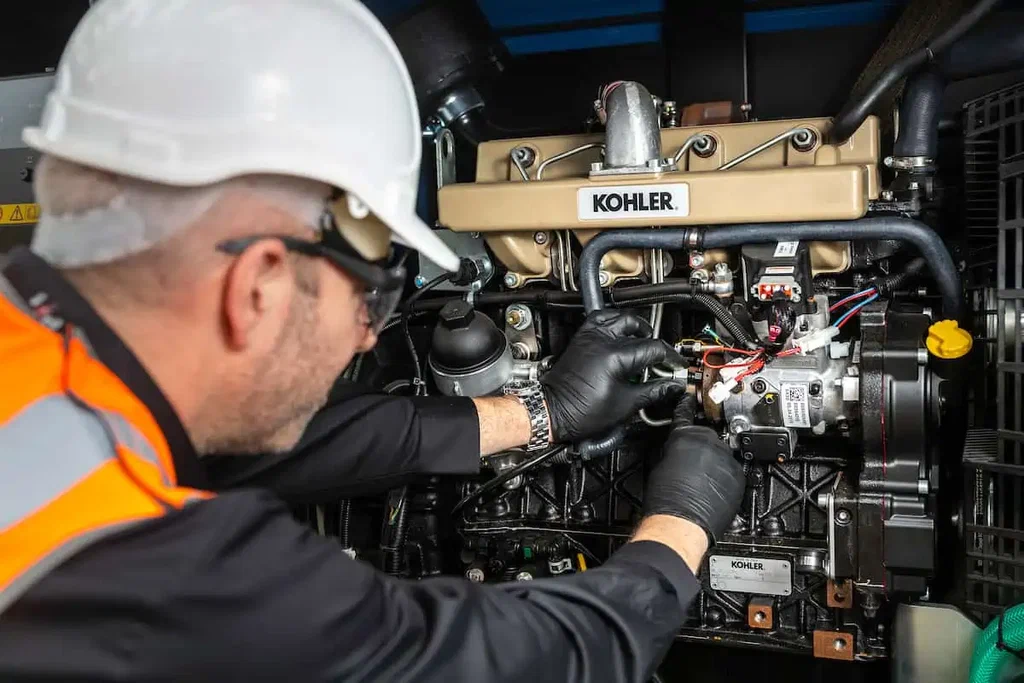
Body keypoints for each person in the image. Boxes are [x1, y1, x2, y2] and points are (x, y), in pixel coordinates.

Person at [0, 1, 746, 681]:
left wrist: (543, 412)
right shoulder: (156, 568)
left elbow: (276, 454)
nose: (368, 336)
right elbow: (522, 662)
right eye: (372, 297)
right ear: (259, 285)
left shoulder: (41, 365)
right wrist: (680, 524)